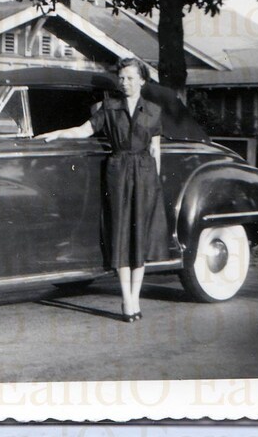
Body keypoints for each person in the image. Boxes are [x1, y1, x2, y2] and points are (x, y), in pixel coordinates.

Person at [38, 58, 169, 322]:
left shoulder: (154, 110)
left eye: (131, 78)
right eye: (122, 78)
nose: (125, 82)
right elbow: (83, 131)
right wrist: (56, 133)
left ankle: (136, 296)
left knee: (139, 236)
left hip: (144, 176)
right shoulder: (109, 108)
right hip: (118, 172)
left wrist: (155, 183)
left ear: (142, 80)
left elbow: (156, 149)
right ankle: (126, 300)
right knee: (120, 233)